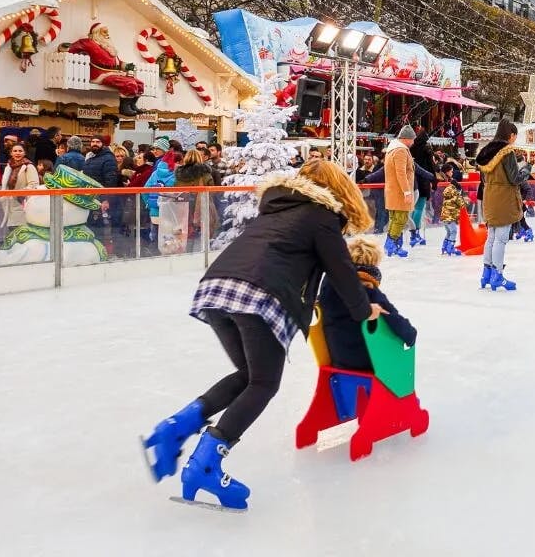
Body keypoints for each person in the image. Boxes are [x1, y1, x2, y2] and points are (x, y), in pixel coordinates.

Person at [141, 159, 382, 510]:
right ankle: (205, 465)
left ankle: (175, 428)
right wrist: (365, 309)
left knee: (248, 376)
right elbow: (343, 273)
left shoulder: (276, 210)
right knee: (264, 384)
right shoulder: (321, 216)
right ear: (337, 192)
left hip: (217, 288)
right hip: (258, 294)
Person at [319, 236, 416, 372]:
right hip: (367, 363)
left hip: (337, 360)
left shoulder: (329, 286)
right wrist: (411, 334)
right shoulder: (368, 292)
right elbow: (400, 325)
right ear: (374, 263)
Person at [475, 119, 524, 291]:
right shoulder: (507, 152)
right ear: (511, 136)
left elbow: (482, 178)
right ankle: (497, 275)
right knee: (501, 239)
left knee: (491, 237)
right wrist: (526, 171)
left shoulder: (486, 151)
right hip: (504, 197)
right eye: (515, 137)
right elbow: (514, 178)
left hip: (490, 196)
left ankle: (486, 274)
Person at [382, 126, 416, 257]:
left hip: (393, 191)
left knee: (394, 219)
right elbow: (401, 173)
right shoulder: (401, 151)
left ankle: (395, 246)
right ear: (406, 139)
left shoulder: (392, 150)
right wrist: (407, 192)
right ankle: (390, 244)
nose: (413, 142)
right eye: (412, 139)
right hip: (400, 192)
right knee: (400, 219)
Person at [438, 170, 468, 256]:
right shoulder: (455, 194)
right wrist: (466, 201)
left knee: (449, 232)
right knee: (454, 231)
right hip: (450, 217)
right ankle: (450, 248)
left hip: (444, 217)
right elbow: (462, 204)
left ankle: (444, 247)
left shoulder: (447, 192)